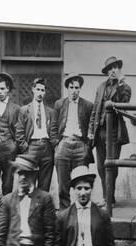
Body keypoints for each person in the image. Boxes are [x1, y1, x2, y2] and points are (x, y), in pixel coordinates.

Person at [88, 56, 132, 206]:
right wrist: (91, 130)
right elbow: (95, 110)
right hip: (99, 131)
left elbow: (124, 104)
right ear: (107, 71)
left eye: (115, 67)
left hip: (113, 131)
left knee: (111, 166)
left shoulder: (125, 87)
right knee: (101, 166)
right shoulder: (100, 87)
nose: (113, 70)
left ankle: (109, 200)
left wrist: (120, 85)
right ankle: (108, 198)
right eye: (110, 68)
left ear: (119, 70)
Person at [53, 74, 94, 210]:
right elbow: (53, 125)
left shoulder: (88, 105)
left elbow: (91, 127)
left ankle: (81, 211)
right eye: (71, 87)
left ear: (80, 88)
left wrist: (87, 146)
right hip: (64, 143)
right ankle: (65, 212)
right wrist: (56, 144)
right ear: (67, 88)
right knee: (62, 185)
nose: (74, 90)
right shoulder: (59, 104)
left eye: (77, 87)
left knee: (81, 181)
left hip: (80, 144)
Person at [15, 78, 57, 192]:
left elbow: (53, 131)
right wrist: (25, 148)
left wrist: (53, 148)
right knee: (29, 182)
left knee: (45, 183)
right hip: (31, 147)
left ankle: (42, 208)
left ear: (45, 92)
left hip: (46, 147)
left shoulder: (50, 111)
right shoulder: (24, 110)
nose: (40, 93)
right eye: (38, 89)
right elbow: (19, 132)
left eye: (42, 90)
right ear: (33, 90)